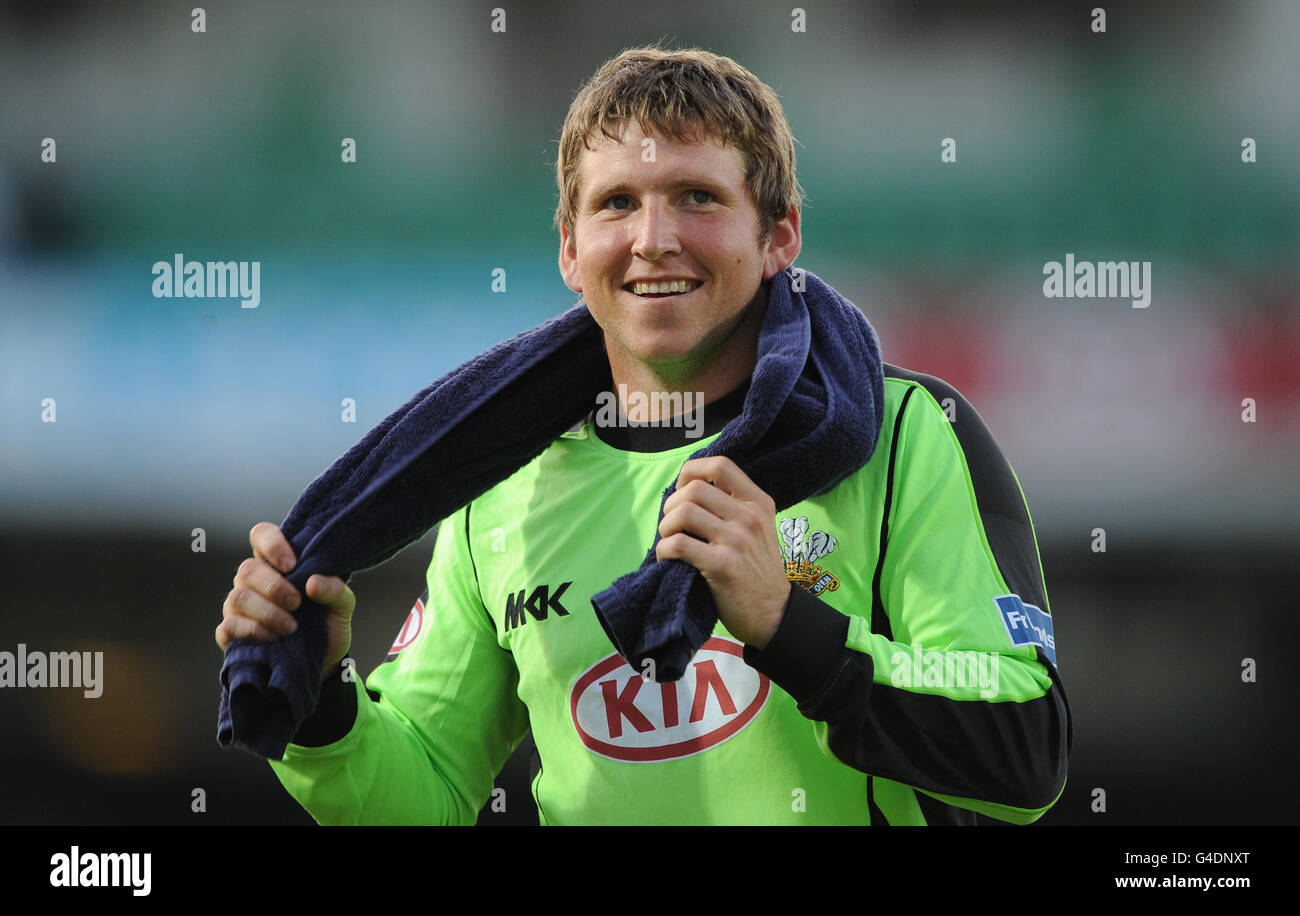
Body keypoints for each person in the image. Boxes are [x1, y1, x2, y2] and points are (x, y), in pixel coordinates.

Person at [216, 46, 1072, 825]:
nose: (653, 241)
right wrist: (323, 694)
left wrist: (789, 625)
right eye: (616, 203)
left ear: (778, 234)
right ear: (569, 248)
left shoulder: (906, 436)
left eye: (697, 197)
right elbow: (426, 795)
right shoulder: (503, 489)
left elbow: (1024, 746)